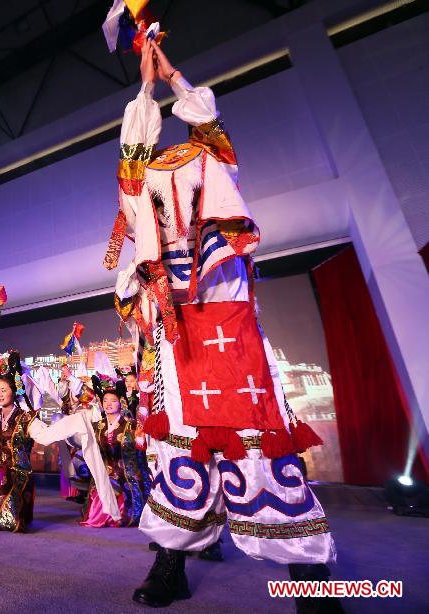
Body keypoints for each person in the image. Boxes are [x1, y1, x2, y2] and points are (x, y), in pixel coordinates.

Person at [104, 35, 337, 609]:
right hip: (175, 321)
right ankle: (171, 563)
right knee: (177, 446)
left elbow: (208, 123)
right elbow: (134, 148)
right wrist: (144, 86)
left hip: (227, 317)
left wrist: (174, 77)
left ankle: (310, 576)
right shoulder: (139, 182)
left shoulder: (213, 160)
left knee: (256, 429)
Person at [0, 343, 120, 533]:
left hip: (19, 475)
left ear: (13, 391)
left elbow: (47, 436)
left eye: (4, 390)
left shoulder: (25, 419)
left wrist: (76, 421)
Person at [80, 370, 151, 528]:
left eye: (113, 400)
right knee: (103, 486)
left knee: (117, 486)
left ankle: (120, 514)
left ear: (121, 403)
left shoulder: (131, 425)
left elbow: (139, 452)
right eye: (105, 401)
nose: (109, 404)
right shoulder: (97, 426)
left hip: (126, 474)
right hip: (105, 472)